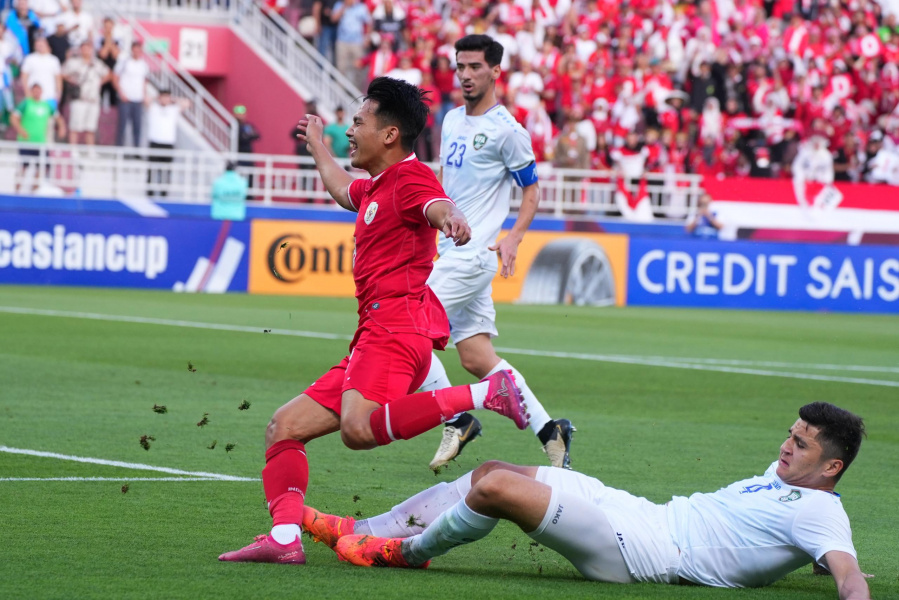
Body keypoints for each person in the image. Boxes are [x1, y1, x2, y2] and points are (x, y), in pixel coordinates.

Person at [217, 76, 530, 566]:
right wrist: (317, 144)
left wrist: (450, 218)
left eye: (358, 122)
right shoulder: (378, 186)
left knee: (357, 430)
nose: (350, 130)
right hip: (373, 334)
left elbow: (434, 203)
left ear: (389, 134)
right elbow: (344, 190)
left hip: (397, 329)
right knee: (284, 427)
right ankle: (283, 538)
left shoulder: (411, 179)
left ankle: (485, 393)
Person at [303, 402, 872, 600]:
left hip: (646, 554)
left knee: (496, 492)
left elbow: (846, 574)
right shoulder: (791, 489)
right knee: (490, 468)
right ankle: (365, 525)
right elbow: (812, 551)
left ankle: (405, 553)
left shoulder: (820, 510)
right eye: (790, 434)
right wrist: (824, 559)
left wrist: (847, 576)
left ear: (832, 468)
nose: (785, 446)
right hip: (641, 512)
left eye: (800, 444)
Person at [424, 34, 574, 472]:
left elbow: (532, 190)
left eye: (474, 67)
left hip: (472, 255)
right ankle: (552, 431)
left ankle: (457, 418)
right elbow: (445, 185)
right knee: (475, 357)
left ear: (495, 71)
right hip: (449, 251)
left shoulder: (508, 131)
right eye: (460, 67)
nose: (466, 75)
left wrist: (514, 237)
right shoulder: (451, 120)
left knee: (408, 333)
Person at [11, 82, 65, 192]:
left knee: (44, 166)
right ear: (31, 92)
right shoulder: (26, 103)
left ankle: (34, 190)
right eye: (34, 90)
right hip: (26, 142)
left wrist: (62, 128)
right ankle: (17, 191)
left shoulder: (46, 105)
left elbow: (59, 118)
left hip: (40, 142)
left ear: (42, 92)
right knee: (23, 167)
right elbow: (13, 117)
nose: (37, 93)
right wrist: (21, 130)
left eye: (38, 90)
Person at [61, 40, 110, 146]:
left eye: (88, 48)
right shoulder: (74, 63)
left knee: (91, 128)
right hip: (79, 98)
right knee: (75, 127)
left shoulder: (96, 63)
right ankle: (73, 150)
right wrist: (73, 81)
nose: (86, 51)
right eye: (84, 48)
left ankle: (90, 151)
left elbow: (108, 74)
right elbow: (63, 73)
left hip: (93, 99)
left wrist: (99, 83)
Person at [146, 89, 190, 196]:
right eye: (163, 97)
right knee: (152, 169)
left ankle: (164, 192)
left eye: (167, 97)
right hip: (155, 142)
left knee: (166, 170)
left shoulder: (173, 109)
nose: (165, 99)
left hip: (168, 144)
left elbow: (187, 103)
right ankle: (150, 192)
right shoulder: (154, 108)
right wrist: (157, 98)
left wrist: (173, 99)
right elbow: (146, 100)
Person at [113, 41, 149, 147]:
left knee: (137, 127)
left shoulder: (143, 65)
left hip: (138, 100)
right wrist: (121, 93)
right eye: (135, 49)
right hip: (125, 99)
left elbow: (144, 82)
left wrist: (144, 95)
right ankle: (119, 151)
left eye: (139, 49)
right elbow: (115, 77)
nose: (137, 51)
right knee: (122, 126)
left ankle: (136, 151)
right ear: (132, 50)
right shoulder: (124, 62)